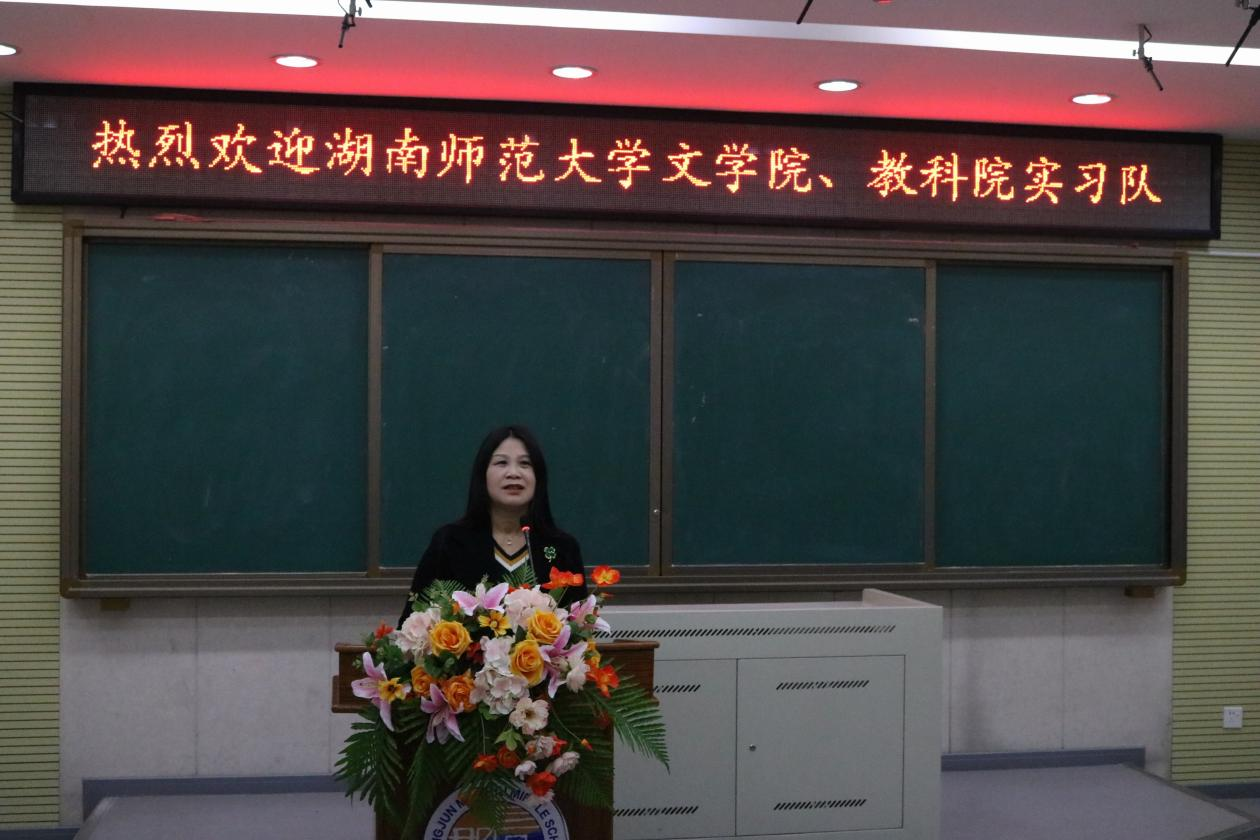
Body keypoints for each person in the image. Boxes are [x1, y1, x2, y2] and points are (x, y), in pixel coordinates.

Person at [398, 425, 588, 626]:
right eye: (501, 463)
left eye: (525, 464)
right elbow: (412, 623)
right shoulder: (450, 543)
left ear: (538, 477)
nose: (513, 473)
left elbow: (579, 629)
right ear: (483, 475)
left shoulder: (562, 548)